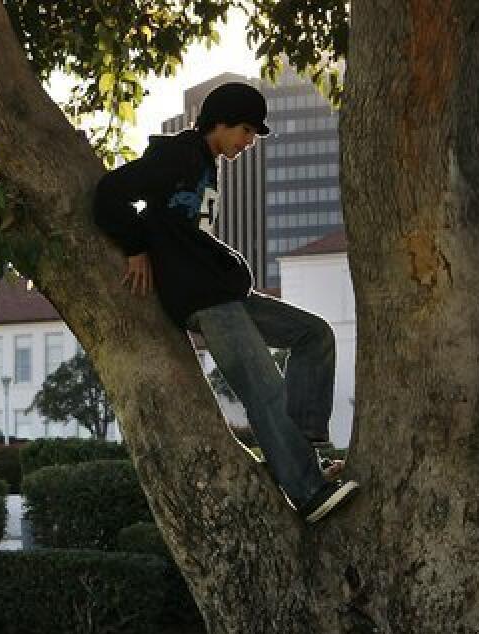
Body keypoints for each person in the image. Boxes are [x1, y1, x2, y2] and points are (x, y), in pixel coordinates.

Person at [92, 81, 359, 524]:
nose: (249, 143)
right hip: (204, 299)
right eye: (247, 133)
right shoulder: (178, 155)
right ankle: (309, 493)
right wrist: (136, 247)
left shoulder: (205, 165)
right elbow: (110, 194)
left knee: (315, 335)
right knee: (265, 390)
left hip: (225, 292)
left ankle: (303, 447)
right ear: (221, 123)